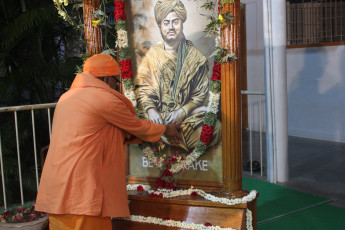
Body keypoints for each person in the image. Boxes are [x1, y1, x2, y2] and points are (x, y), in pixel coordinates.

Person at [35, 54, 180, 230]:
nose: (116, 87)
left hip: (56, 187)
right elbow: (137, 126)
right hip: (82, 189)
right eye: (115, 82)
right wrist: (166, 129)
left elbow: (107, 131)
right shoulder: (105, 98)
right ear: (105, 78)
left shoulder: (66, 97)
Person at [135, 0, 220, 152]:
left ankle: (167, 137)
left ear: (182, 23)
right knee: (138, 121)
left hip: (183, 120)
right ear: (160, 26)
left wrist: (184, 111)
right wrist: (150, 110)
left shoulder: (196, 58)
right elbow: (143, 88)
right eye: (166, 23)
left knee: (214, 127)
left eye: (175, 22)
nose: (171, 27)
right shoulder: (152, 55)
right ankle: (164, 133)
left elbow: (200, 95)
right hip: (157, 118)